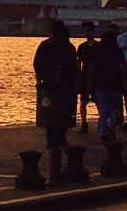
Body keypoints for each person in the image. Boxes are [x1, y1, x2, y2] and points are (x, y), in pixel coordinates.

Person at [34, 20, 77, 181]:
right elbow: (74, 69)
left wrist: (41, 79)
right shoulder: (68, 47)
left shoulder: (46, 45)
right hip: (64, 90)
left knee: (50, 121)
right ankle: (59, 143)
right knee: (61, 122)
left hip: (50, 89)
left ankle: (54, 145)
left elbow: (37, 65)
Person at [89, 23, 125, 141]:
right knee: (115, 109)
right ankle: (109, 127)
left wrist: (91, 85)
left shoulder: (97, 50)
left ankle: (102, 131)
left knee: (104, 109)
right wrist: (124, 82)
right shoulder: (117, 51)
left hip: (100, 84)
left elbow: (93, 68)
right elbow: (122, 68)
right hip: (115, 83)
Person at [74, 22, 97, 133]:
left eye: (88, 31)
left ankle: (102, 123)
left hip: (96, 76)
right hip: (85, 75)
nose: (87, 33)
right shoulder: (82, 47)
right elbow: (78, 62)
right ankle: (84, 123)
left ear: (93, 31)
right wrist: (78, 76)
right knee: (83, 100)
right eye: (86, 31)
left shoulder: (98, 46)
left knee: (98, 100)